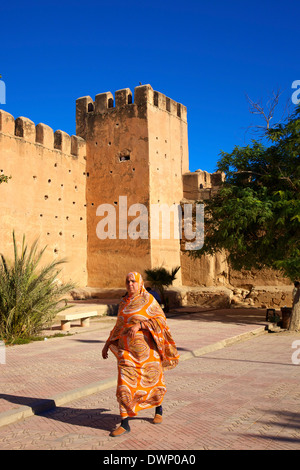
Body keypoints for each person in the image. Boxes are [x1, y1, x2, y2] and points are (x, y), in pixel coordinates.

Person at [102, 271, 179, 437]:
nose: (130, 284)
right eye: (128, 281)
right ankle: (124, 422)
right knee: (124, 386)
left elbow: (161, 321)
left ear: (140, 283)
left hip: (148, 353)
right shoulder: (124, 303)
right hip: (127, 353)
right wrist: (107, 343)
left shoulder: (148, 300)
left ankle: (158, 408)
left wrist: (141, 325)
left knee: (153, 381)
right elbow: (119, 326)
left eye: (133, 281)